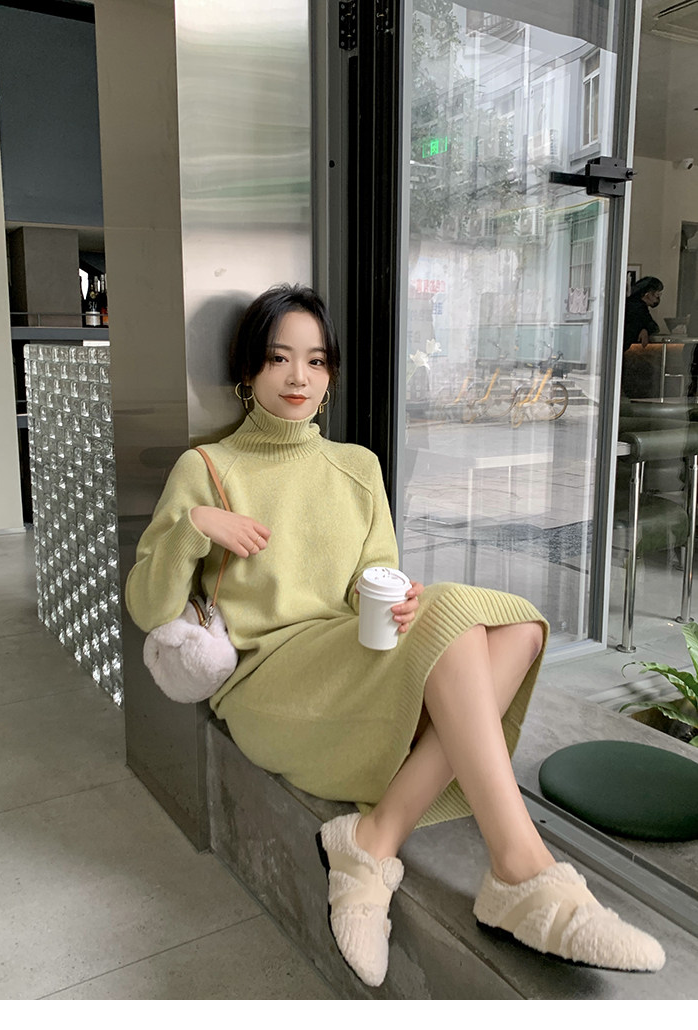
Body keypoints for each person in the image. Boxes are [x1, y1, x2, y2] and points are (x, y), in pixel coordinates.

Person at [126, 283, 665, 987]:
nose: (298, 377)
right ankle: (520, 870)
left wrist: (397, 599)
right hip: (268, 679)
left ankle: (375, 840)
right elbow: (148, 606)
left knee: (520, 630)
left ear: (331, 373)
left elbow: (369, 578)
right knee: (460, 619)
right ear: (247, 370)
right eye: (279, 358)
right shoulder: (207, 469)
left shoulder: (357, 467)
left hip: (347, 651)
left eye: (316, 361)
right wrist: (193, 529)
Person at [623, 276, 663, 353]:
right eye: (657, 294)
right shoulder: (638, 307)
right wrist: (644, 329)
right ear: (648, 293)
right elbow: (652, 326)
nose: (658, 297)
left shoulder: (633, 303)